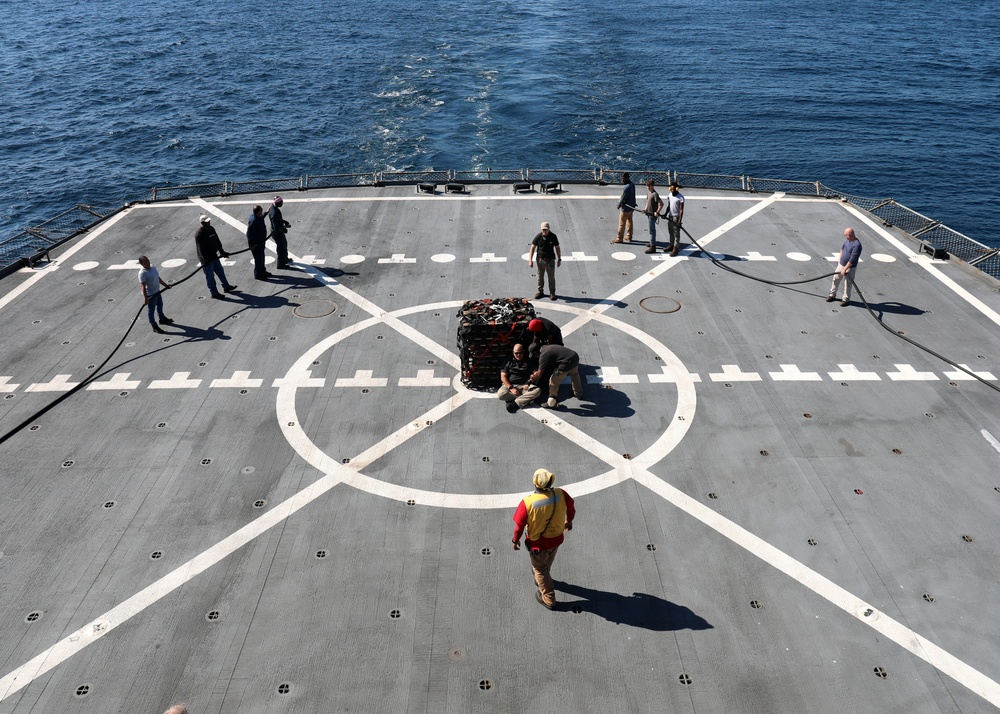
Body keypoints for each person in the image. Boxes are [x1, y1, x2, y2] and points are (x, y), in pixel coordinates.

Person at [512, 468, 575, 610]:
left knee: (540, 569)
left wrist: (515, 541)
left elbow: (519, 527)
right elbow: (571, 508)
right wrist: (569, 521)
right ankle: (542, 578)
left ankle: (549, 599)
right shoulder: (561, 494)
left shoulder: (527, 503)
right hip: (557, 538)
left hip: (538, 545)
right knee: (547, 562)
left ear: (535, 483)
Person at [194, 215, 237, 299]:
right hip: (207, 260)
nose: (209, 222)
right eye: (206, 222)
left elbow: (217, 240)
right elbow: (201, 249)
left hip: (214, 256)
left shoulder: (211, 229)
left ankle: (226, 287)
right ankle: (214, 293)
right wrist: (205, 260)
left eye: (209, 221)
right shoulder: (199, 234)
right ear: (202, 223)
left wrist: (222, 252)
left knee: (220, 271)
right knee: (210, 277)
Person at [531, 343, 583, 409]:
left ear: (536, 353)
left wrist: (532, 378)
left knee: (553, 381)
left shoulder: (543, 355)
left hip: (566, 363)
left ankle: (551, 403)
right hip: (574, 357)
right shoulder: (546, 347)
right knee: (574, 374)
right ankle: (578, 393)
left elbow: (540, 373)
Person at [497, 343, 541, 413]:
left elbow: (536, 372)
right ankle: (525, 399)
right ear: (513, 352)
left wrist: (532, 379)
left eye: (521, 353)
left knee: (537, 391)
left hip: (525, 386)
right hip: (511, 385)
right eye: (516, 353)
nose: (518, 355)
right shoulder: (508, 361)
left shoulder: (528, 360)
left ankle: (515, 403)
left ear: (523, 351)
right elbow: (503, 376)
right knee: (500, 394)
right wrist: (511, 388)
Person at [827, 227, 863, 306]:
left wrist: (845, 269)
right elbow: (842, 249)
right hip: (841, 264)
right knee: (836, 278)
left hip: (850, 268)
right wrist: (839, 259)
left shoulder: (857, 245)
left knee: (848, 283)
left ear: (849, 235)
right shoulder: (848, 241)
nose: (845, 236)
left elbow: (852, 259)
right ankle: (832, 294)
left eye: (845, 235)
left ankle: (845, 299)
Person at [138, 256, 173, 334]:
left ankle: (162, 318)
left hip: (157, 291)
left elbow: (157, 277)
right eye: (145, 262)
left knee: (160, 304)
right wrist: (145, 298)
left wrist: (165, 285)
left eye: (147, 261)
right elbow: (142, 286)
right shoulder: (142, 273)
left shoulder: (152, 267)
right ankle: (154, 325)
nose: (148, 263)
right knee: (151, 310)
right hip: (150, 295)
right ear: (142, 264)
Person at [528, 221, 561, 301]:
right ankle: (540, 291)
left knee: (551, 278)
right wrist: (530, 260)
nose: (544, 231)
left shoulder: (553, 237)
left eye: (545, 230)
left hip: (550, 261)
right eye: (543, 230)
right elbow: (533, 247)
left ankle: (552, 293)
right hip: (540, 260)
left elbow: (557, 248)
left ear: (549, 229)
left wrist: (559, 259)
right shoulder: (538, 237)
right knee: (540, 276)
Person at [611, 172, 637, 244]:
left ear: (627, 178)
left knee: (622, 223)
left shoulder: (626, 187)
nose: (622, 180)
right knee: (630, 222)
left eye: (623, 178)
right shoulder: (632, 185)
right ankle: (629, 236)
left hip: (625, 209)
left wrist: (619, 204)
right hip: (631, 207)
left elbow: (623, 197)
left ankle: (619, 238)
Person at [247, 205, 271, 280]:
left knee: (262, 258)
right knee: (258, 259)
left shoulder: (258, 217)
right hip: (256, 244)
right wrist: (251, 244)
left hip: (261, 242)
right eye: (261, 210)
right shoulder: (253, 220)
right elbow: (249, 234)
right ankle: (258, 274)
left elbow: (261, 218)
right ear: (258, 211)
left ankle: (262, 271)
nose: (262, 211)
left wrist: (266, 213)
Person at [662, 180, 685, 256]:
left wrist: (679, 221)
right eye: (671, 189)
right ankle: (671, 245)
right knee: (671, 231)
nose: (672, 190)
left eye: (673, 189)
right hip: (670, 216)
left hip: (676, 217)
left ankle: (675, 248)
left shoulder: (680, 197)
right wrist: (665, 214)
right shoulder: (670, 195)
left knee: (676, 233)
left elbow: (681, 210)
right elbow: (669, 206)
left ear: (676, 189)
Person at [267, 196, 291, 269]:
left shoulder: (273, 208)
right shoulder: (274, 212)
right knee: (281, 248)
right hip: (277, 233)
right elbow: (276, 227)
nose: (282, 203)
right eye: (281, 202)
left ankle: (285, 258)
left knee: (284, 244)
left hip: (278, 231)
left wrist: (283, 221)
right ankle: (280, 264)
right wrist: (284, 230)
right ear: (278, 203)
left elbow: (278, 220)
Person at [642, 179, 664, 254]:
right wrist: (645, 209)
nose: (647, 187)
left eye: (649, 186)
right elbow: (647, 202)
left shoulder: (655, 194)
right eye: (647, 186)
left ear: (652, 186)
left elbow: (661, 204)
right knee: (650, 229)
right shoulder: (649, 193)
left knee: (652, 230)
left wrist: (657, 212)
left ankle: (653, 247)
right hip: (648, 214)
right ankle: (652, 242)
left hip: (652, 215)